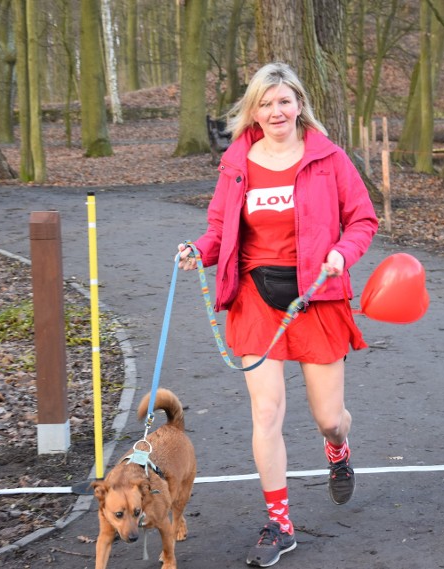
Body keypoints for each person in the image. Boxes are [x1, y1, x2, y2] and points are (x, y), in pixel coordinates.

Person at [178, 62, 378, 567]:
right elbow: (219, 227)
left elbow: (363, 219)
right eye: (265, 103)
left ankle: (339, 450)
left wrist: (342, 253)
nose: (275, 111)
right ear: (254, 110)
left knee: (328, 418)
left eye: (284, 101)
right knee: (266, 413)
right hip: (254, 296)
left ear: (299, 105)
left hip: (316, 295)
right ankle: (280, 524)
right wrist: (197, 251)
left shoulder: (329, 159)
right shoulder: (237, 162)